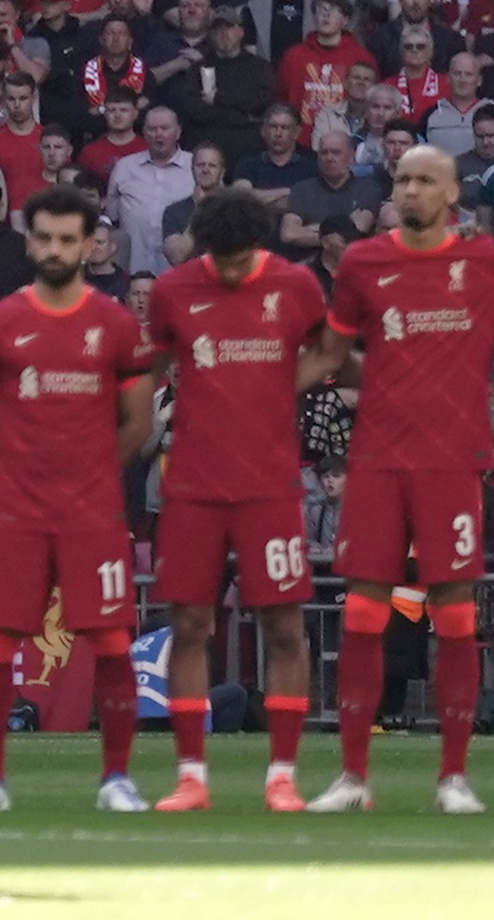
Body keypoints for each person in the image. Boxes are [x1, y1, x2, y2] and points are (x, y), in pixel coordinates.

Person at [307, 144, 494, 812]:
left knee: (453, 619)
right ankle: (353, 778)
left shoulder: (487, 259)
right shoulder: (365, 262)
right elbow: (332, 355)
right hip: (376, 462)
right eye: (402, 179)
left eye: (426, 179)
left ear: (452, 193)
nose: (412, 189)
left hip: (453, 463)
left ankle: (453, 776)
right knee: (366, 614)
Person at [0, 187, 155, 812]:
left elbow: (137, 422)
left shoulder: (116, 325)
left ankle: (117, 778)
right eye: (46, 238)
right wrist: (24, 469)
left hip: (93, 512)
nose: (57, 249)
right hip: (17, 511)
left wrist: (89, 474)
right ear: (28, 240)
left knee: (113, 642)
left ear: (91, 244)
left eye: (70, 239)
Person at [140, 178, 325, 808]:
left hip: (270, 485)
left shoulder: (297, 286)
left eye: (240, 259)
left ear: (259, 246)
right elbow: (150, 369)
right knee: (188, 624)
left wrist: (282, 385)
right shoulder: (172, 291)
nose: (229, 270)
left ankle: (283, 776)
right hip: (191, 485)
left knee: (284, 626)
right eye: (218, 259)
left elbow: (331, 350)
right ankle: (191, 775)